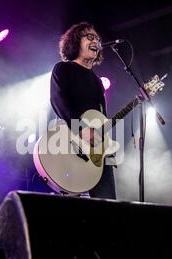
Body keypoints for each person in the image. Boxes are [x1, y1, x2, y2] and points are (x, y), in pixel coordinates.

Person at [50, 22, 116, 199]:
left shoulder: (97, 81)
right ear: (75, 41)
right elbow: (59, 101)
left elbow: (101, 117)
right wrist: (80, 128)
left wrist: (106, 142)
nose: (96, 40)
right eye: (90, 36)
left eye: (97, 38)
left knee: (108, 203)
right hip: (70, 145)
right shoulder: (63, 68)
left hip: (97, 151)